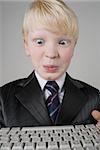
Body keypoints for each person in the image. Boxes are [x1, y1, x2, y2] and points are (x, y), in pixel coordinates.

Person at [0, 0, 100, 128]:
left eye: (62, 43)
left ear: (74, 46)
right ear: (26, 45)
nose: (51, 54)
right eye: (40, 42)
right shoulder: (3, 98)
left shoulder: (94, 97)